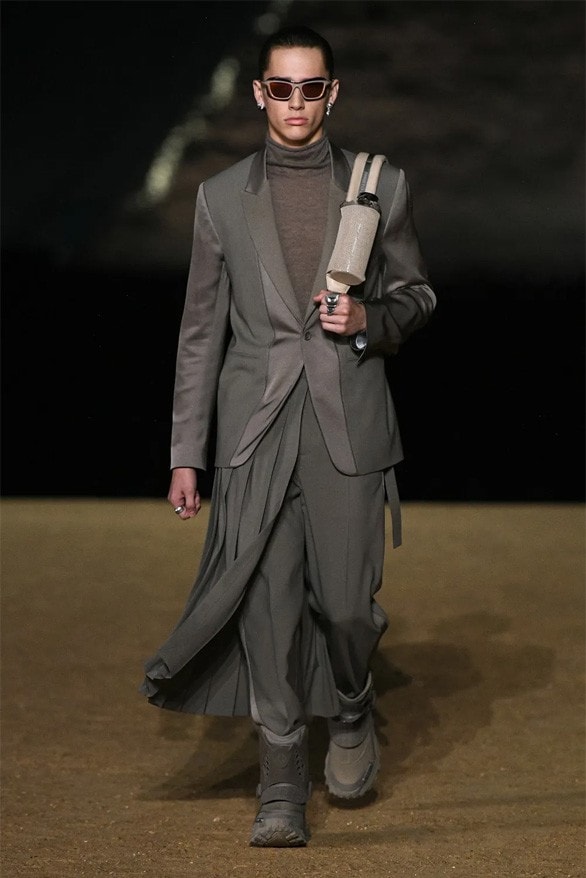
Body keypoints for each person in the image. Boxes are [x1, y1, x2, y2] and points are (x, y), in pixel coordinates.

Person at [141, 25, 435, 847]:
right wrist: (186, 454)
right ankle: (280, 780)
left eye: (311, 88)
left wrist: (369, 319)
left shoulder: (380, 185)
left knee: (345, 608)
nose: (296, 103)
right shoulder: (219, 197)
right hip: (255, 431)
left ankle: (351, 703)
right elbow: (200, 334)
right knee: (269, 606)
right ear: (260, 93)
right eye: (281, 87)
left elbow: (418, 294)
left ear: (331, 94)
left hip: (348, 427)